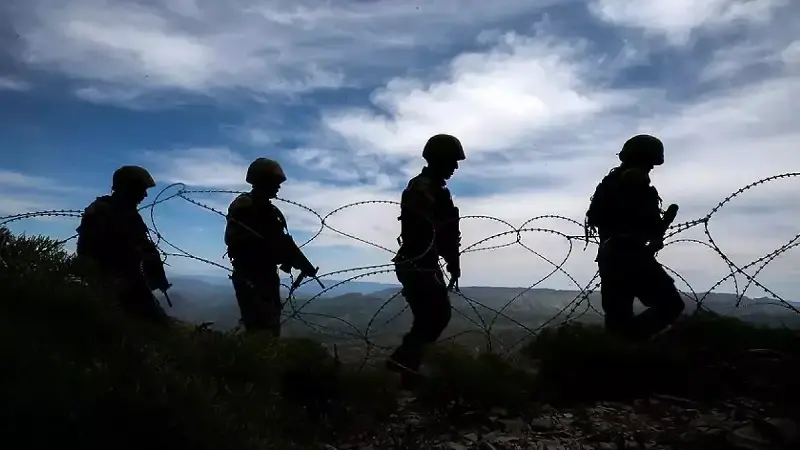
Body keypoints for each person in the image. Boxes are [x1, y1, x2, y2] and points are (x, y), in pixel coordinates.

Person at [585, 134, 685, 342]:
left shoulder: (609, 183)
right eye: (650, 162)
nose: (651, 168)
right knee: (670, 305)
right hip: (629, 255)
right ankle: (629, 341)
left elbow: (600, 217)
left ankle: (619, 349)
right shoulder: (633, 180)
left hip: (610, 256)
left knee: (617, 320)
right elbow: (640, 220)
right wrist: (653, 232)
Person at [387, 134, 464, 388]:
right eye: (452, 161)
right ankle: (403, 365)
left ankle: (406, 370)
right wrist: (449, 256)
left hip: (423, 262)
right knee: (435, 316)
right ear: (439, 159)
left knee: (430, 318)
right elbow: (429, 230)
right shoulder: (422, 189)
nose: (455, 167)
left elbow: (445, 232)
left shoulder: (436, 190)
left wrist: (452, 261)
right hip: (417, 262)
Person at [224, 157, 320, 336]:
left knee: (266, 324)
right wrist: (276, 251)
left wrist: (296, 260)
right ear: (263, 182)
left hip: (264, 275)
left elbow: (279, 242)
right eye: (275, 183)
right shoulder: (246, 205)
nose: (278, 187)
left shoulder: (268, 210)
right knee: (261, 328)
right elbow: (242, 241)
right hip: (252, 275)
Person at [75, 165, 171, 324]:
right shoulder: (109, 213)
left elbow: (144, 249)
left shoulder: (120, 212)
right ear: (130, 188)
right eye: (142, 189)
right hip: (114, 283)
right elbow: (138, 249)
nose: (145, 194)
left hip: (119, 281)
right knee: (155, 324)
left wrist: (156, 276)